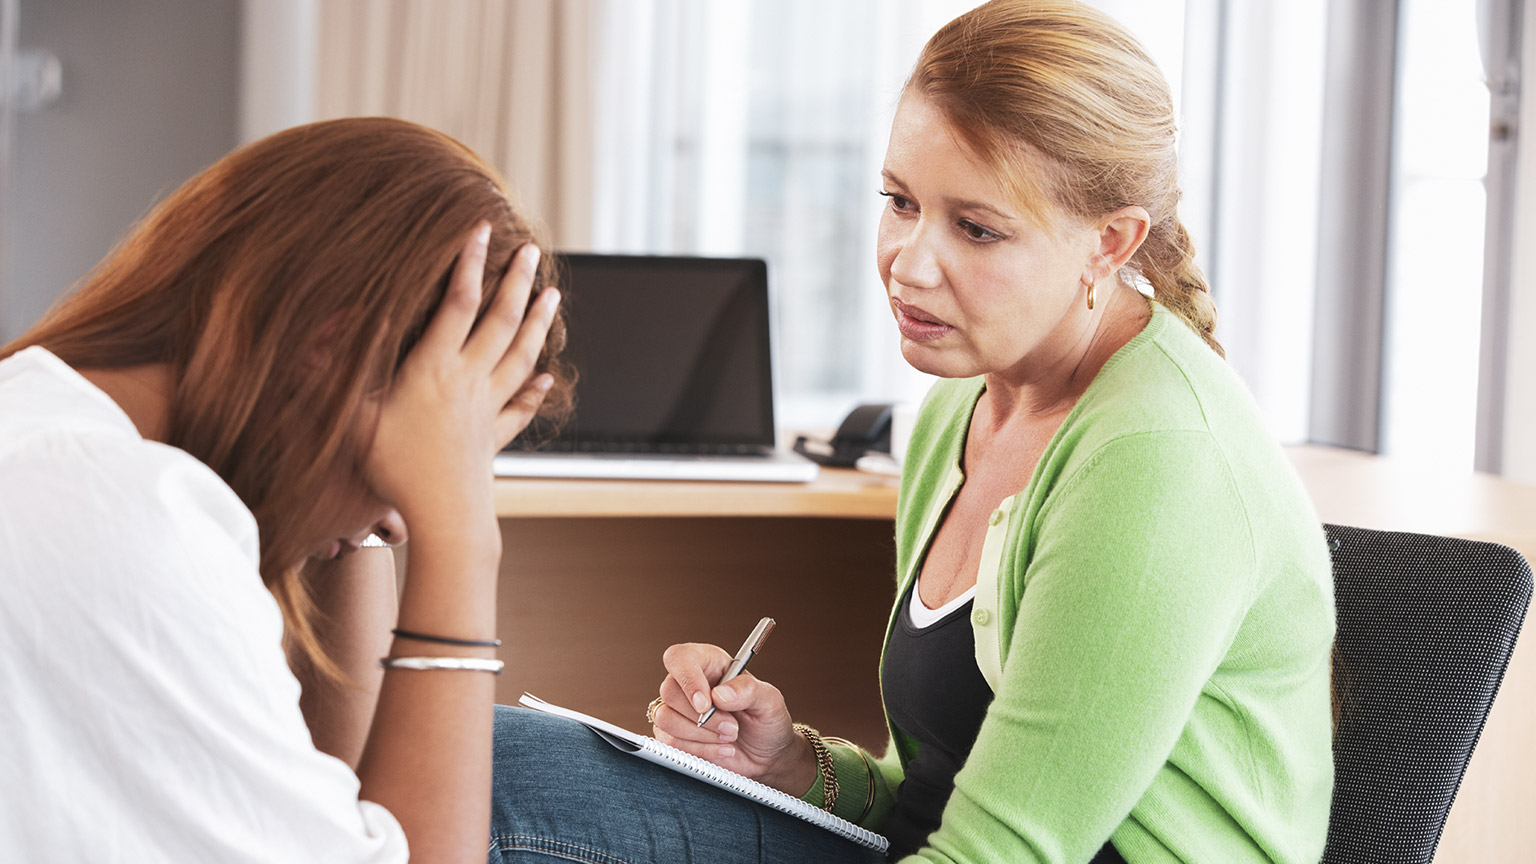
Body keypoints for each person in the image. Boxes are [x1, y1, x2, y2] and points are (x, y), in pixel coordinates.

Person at [490, 1, 1334, 862]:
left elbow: (1002, 851)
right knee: (497, 761)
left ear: (1108, 243)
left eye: (976, 228)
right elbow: (927, 790)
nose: (908, 263)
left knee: (507, 812)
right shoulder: (959, 411)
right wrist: (789, 764)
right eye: (899, 202)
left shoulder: (1158, 462)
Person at [0, 116, 574, 861]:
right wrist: (460, 534)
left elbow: (335, 792)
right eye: (434, 451)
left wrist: (363, 462)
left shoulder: (47, 420)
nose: (400, 521)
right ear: (331, 349)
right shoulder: (125, 521)